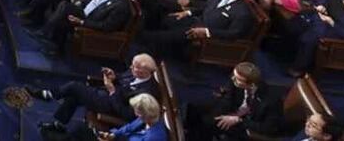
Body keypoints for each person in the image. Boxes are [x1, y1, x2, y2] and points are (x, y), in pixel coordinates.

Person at [29, 54, 160, 135]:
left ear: (144, 72)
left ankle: (49, 95)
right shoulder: (135, 71)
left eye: (134, 68)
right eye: (131, 66)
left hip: (109, 106)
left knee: (74, 86)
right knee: (73, 96)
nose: (131, 68)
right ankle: (59, 125)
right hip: (106, 94)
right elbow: (123, 79)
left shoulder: (145, 93)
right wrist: (114, 76)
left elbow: (127, 114)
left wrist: (112, 91)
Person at [185, 61, 283, 141]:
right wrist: (218, 114)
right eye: (234, 76)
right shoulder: (236, 79)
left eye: (237, 79)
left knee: (208, 124)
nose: (233, 79)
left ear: (251, 85)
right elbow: (228, 99)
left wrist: (239, 120)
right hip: (234, 108)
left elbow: (268, 128)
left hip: (247, 123)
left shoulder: (272, 101)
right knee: (193, 108)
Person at [99, 93, 168, 141]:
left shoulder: (154, 138)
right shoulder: (144, 119)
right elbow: (129, 127)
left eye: (137, 112)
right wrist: (113, 135)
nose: (135, 114)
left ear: (146, 114)